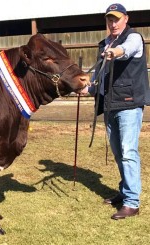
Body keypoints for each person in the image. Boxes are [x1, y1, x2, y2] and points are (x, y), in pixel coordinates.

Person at [81, 3, 150, 220]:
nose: (112, 23)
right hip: (110, 105)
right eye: (109, 19)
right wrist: (89, 88)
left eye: (116, 19)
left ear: (126, 19)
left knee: (128, 152)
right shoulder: (104, 44)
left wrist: (115, 51)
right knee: (119, 153)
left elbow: (125, 50)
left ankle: (132, 202)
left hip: (129, 104)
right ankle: (124, 191)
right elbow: (99, 78)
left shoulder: (134, 38)